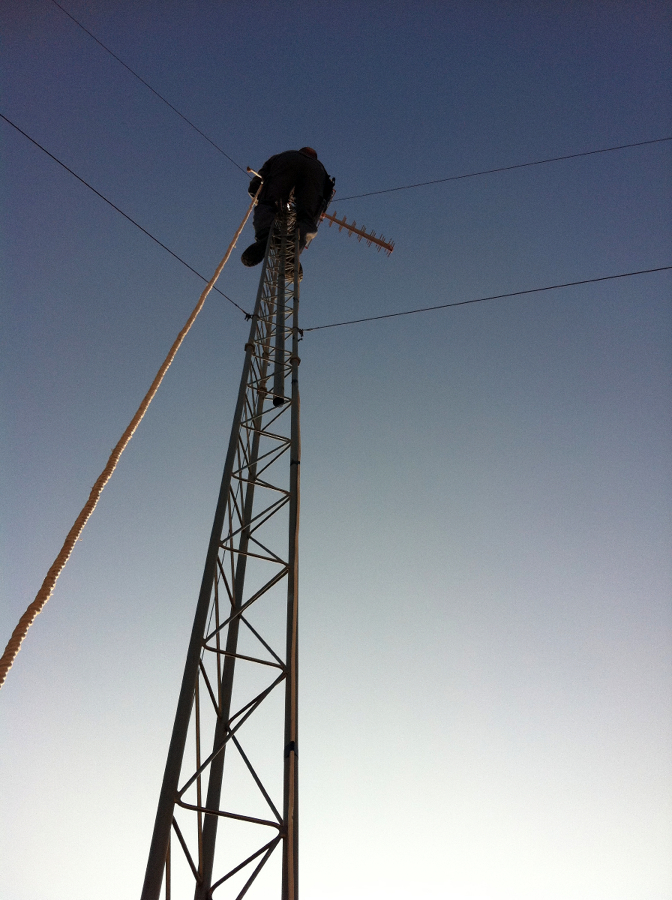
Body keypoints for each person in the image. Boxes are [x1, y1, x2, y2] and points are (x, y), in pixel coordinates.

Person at [241, 147, 335, 268]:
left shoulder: (284, 155)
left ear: (300, 151)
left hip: (288, 162)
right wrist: (321, 210)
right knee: (307, 218)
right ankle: (292, 252)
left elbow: (262, 175)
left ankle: (266, 235)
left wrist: (256, 191)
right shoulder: (321, 168)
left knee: (269, 202)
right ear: (314, 157)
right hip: (316, 172)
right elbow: (327, 193)